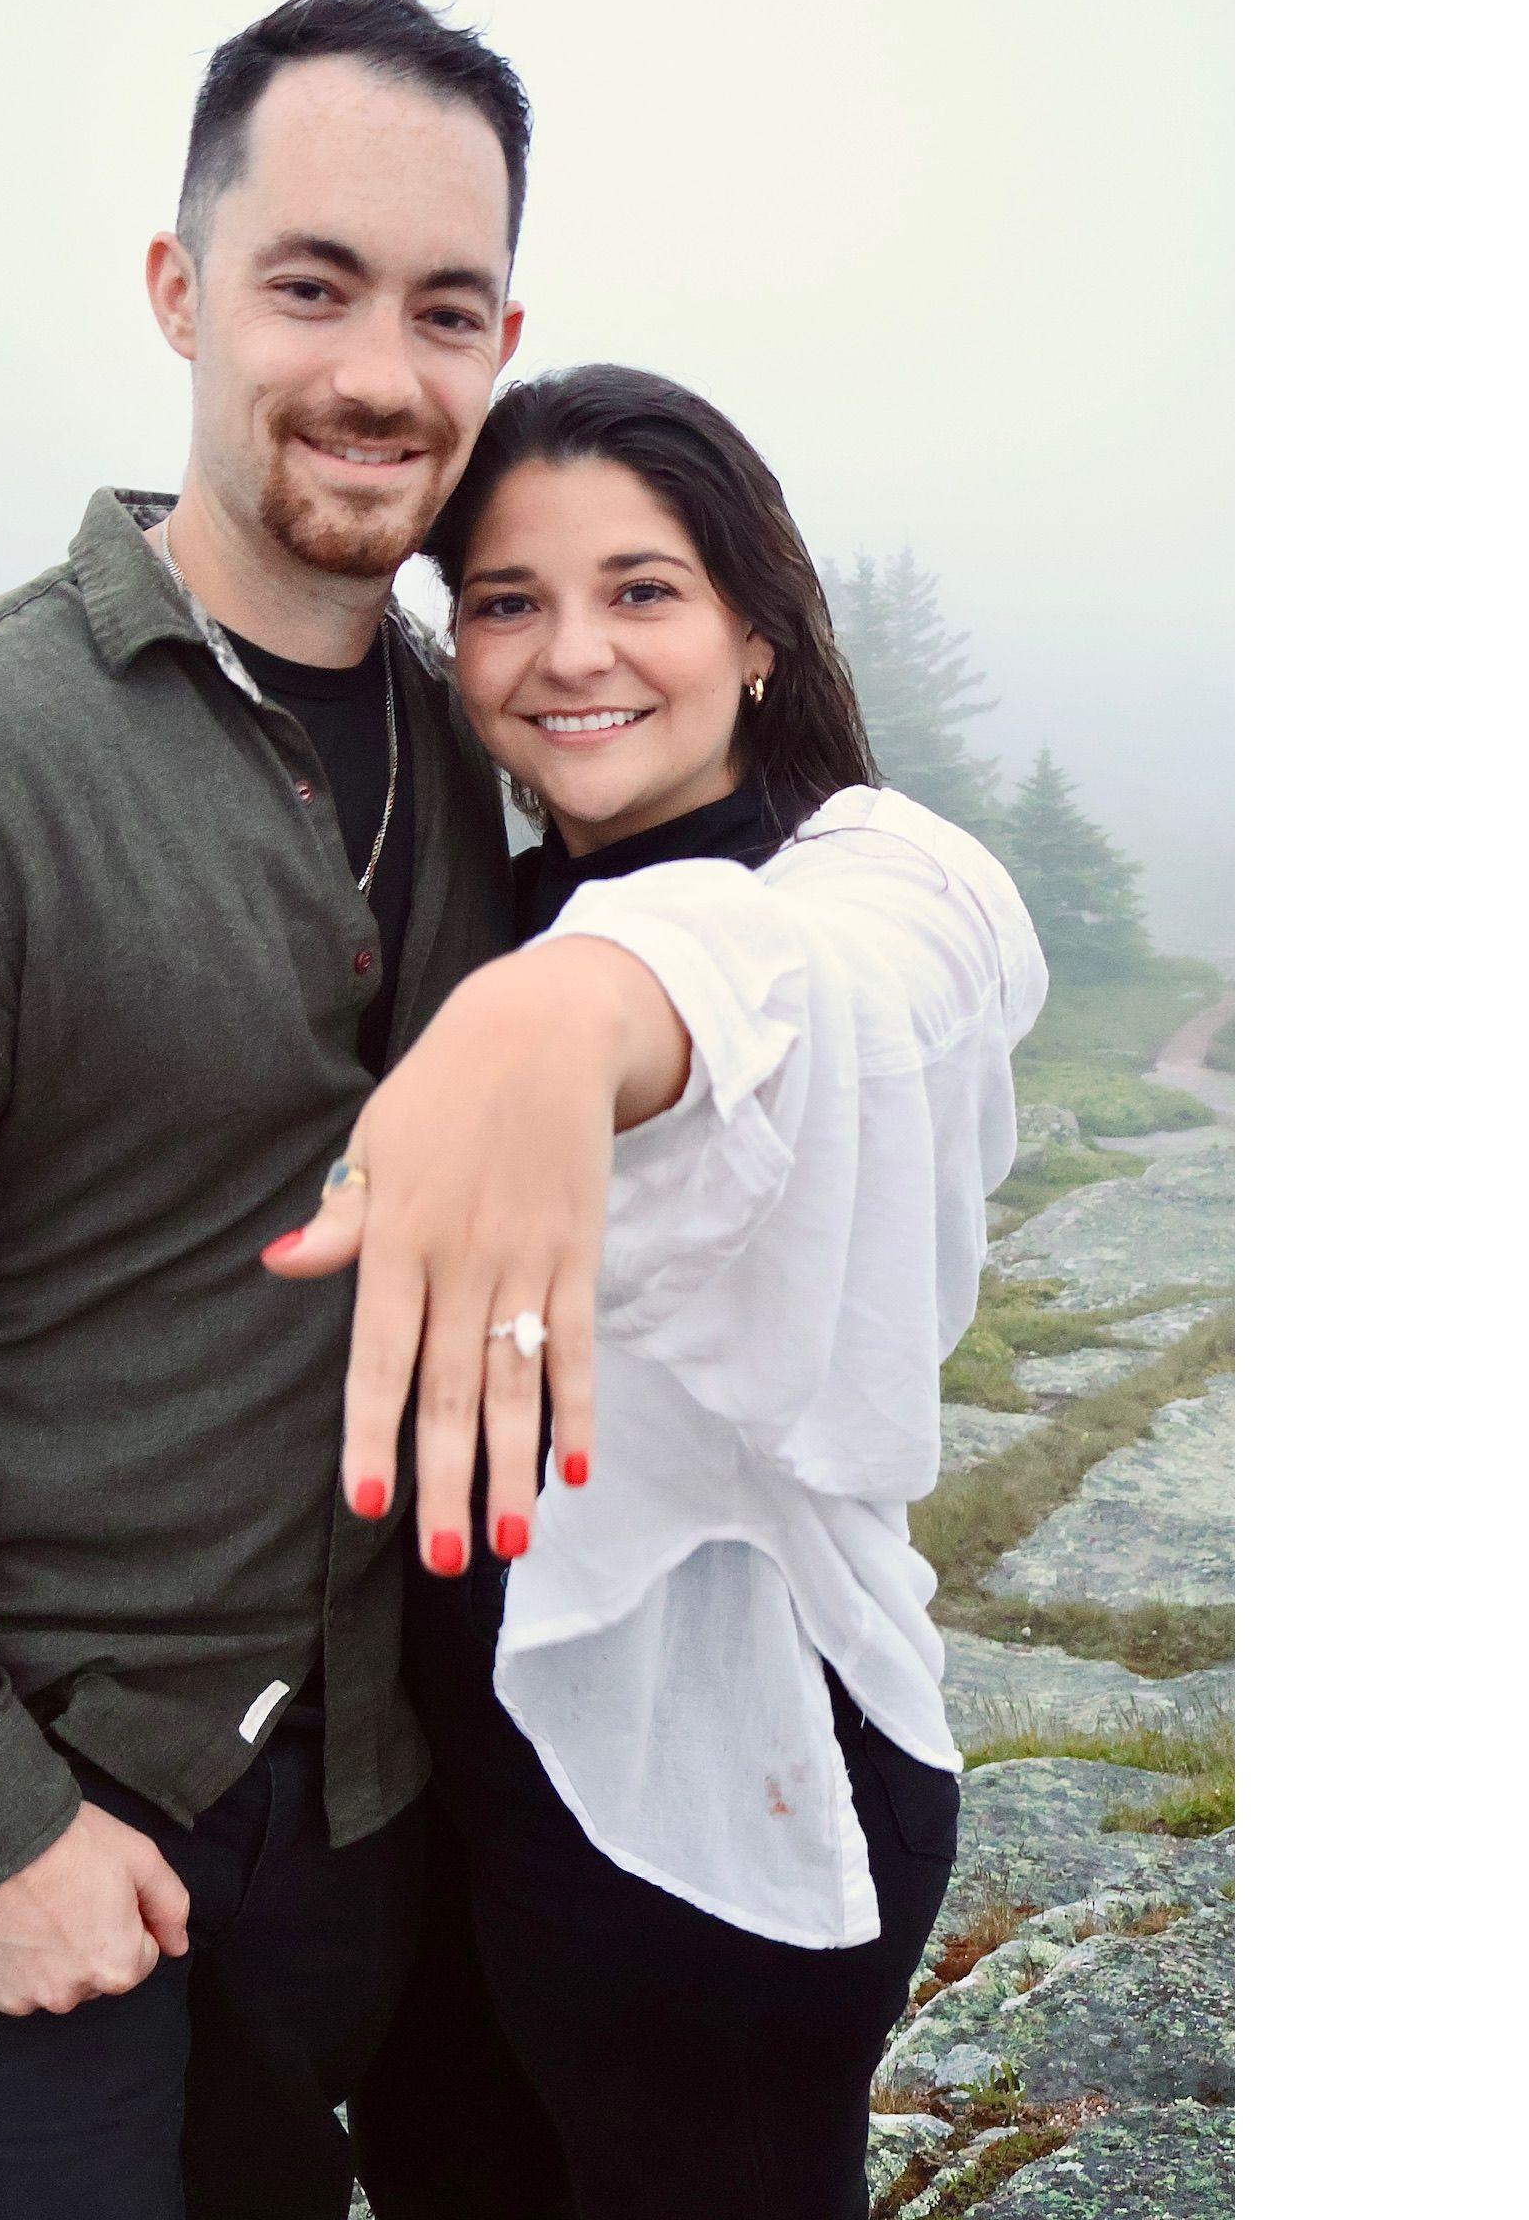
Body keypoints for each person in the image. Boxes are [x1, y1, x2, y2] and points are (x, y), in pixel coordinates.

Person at [0, 0, 531, 2220]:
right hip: (49, 1828)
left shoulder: (484, 756)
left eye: (445, 309)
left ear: (504, 336)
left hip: (379, 1807)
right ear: (180, 293)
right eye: (312, 285)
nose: (381, 369)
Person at [268, 365, 1051, 2219]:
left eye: (643, 590)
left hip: (728, 1786)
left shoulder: (870, 878)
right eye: (511, 603)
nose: (569, 653)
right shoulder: (497, 903)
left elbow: (821, 974)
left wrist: (575, 1006)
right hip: (451, 1781)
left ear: (758, 630)